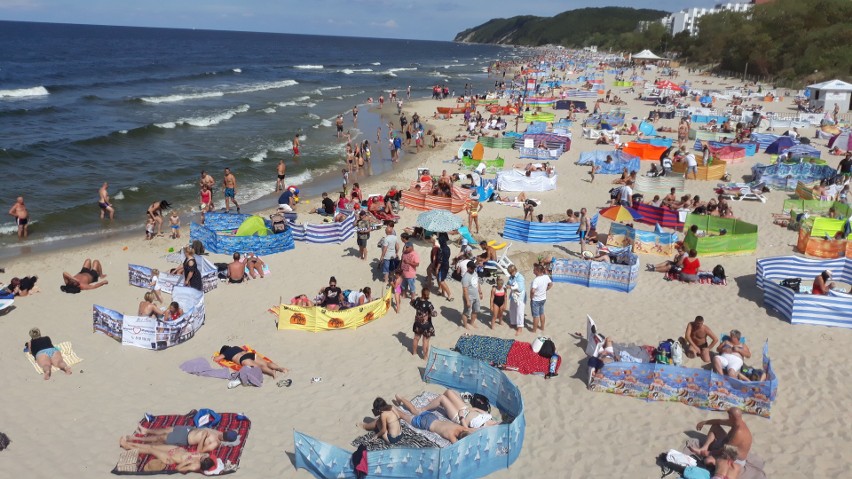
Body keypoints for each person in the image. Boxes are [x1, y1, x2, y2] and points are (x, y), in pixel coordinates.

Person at [396, 389, 498, 430]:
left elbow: (467, 430)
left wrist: (462, 416)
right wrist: (471, 409)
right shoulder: (493, 419)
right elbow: (479, 410)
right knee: (448, 392)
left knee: (442, 398)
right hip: (466, 409)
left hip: (459, 416)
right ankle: (436, 405)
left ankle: (421, 410)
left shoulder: (485, 430)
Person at [689, 407, 753, 470]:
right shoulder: (736, 421)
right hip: (727, 446)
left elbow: (726, 450)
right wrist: (704, 422)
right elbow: (719, 421)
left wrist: (709, 453)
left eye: (729, 416)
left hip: (734, 458)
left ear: (731, 416)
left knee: (708, 461)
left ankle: (704, 453)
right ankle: (704, 448)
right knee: (715, 426)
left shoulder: (739, 433)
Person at [118, 436, 216, 474]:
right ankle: (129, 444)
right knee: (152, 446)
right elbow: (201, 452)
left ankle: (127, 446)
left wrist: (187, 461)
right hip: (177, 450)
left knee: (151, 449)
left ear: (203, 464)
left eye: (204, 458)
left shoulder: (195, 465)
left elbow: (178, 468)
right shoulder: (204, 457)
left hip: (170, 458)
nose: (204, 456)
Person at [125, 426, 238, 454]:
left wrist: (203, 437)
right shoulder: (220, 432)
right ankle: (147, 431)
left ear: (225, 440)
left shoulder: (214, 443)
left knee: (162, 438)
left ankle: (135, 439)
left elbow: (199, 452)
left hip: (186, 438)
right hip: (189, 429)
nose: (222, 434)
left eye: (225, 435)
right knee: (166, 430)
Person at [214, 345, 288, 378]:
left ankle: (272, 373)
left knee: (260, 367)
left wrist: (220, 355)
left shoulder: (226, 352)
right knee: (266, 363)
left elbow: (216, 359)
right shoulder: (236, 347)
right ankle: (280, 368)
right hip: (250, 354)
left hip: (243, 359)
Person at [410, 288, 437, 358]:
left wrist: (412, 298)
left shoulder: (417, 300)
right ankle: (425, 357)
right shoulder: (428, 304)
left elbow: (412, 303)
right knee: (425, 341)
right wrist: (428, 315)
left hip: (418, 323)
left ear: (422, 293)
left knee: (416, 338)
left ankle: (414, 353)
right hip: (426, 325)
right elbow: (434, 314)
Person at [529, 263, 552, 335]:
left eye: (534, 270)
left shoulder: (536, 280)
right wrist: (546, 289)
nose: (533, 271)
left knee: (536, 315)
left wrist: (531, 296)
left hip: (536, 299)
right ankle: (542, 327)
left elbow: (533, 290)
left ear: (538, 271)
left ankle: (534, 330)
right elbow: (551, 284)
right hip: (543, 298)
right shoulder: (546, 277)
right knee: (542, 313)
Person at [461, 262, 482, 329]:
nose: (473, 269)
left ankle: (472, 323)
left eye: (474, 268)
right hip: (469, 297)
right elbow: (465, 290)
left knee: (476, 310)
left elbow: (477, 282)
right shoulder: (465, 277)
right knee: (466, 312)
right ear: (468, 268)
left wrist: (480, 292)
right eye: (472, 268)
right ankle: (465, 325)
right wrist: (467, 301)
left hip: (476, 296)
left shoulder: (475, 273)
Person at [506, 265, 525, 335]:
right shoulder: (511, 277)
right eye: (510, 272)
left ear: (515, 270)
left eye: (511, 272)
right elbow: (508, 283)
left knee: (520, 312)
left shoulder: (520, 277)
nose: (511, 274)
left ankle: (520, 327)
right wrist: (506, 285)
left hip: (520, 297)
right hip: (513, 296)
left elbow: (520, 288)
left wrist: (510, 287)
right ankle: (513, 323)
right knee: (512, 309)